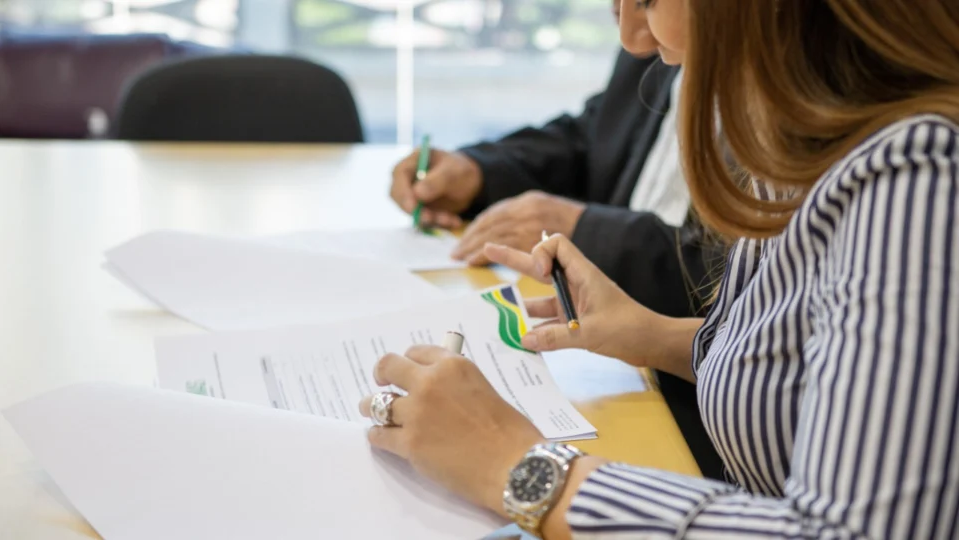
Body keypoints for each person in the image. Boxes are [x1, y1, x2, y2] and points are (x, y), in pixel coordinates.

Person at [361, 0, 959, 537]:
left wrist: (517, 466)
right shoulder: (804, 139)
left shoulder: (915, 178)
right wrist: (655, 336)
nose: (631, 39)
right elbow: (807, 365)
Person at [390, 4, 727, 480]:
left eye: (648, 1)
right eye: (615, 9)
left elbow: (739, 286)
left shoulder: (814, 111)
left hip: (702, 414)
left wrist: (587, 228)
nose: (632, 40)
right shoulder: (662, 35)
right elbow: (595, 138)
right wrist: (480, 172)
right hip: (638, 374)